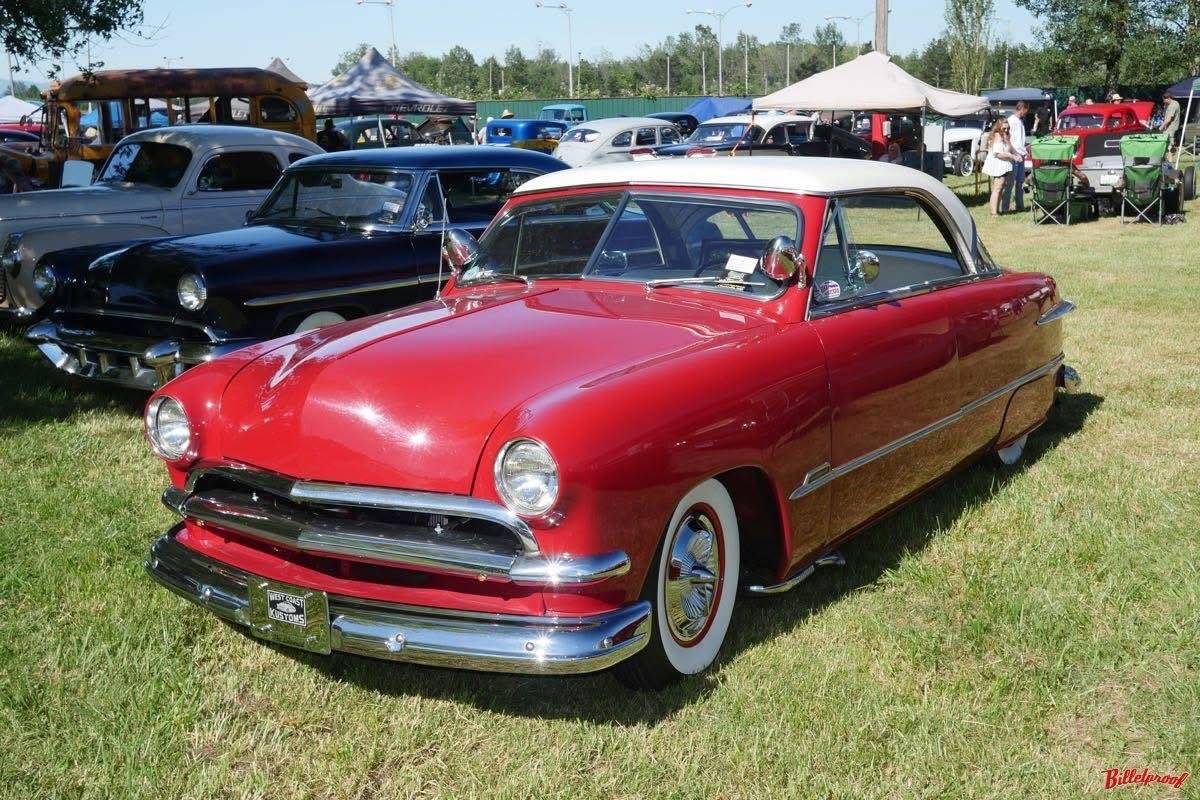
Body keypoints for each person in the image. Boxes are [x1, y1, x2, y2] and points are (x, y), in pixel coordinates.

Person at [982, 119, 1018, 217]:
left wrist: (1014, 153)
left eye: (1008, 128)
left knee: (1000, 188)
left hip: (1003, 166)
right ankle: (994, 213)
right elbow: (998, 154)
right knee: (997, 188)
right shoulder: (998, 136)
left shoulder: (1004, 136)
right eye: (1004, 128)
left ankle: (996, 211)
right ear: (998, 127)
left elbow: (1008, 149)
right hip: (998, 166)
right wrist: (1012, 156)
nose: (1006, 130)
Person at [1002, 101, 1030, 214]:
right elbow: (1007, 139)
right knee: (1010, 183)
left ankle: (1020, 205)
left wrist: (1025, 148)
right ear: (1022, 108)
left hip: (1021, 155)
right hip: (1014, 156)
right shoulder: (1011, 121)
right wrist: (1014, 153)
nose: (1026, 113)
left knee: (1020, 182)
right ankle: (1005, 208)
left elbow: (1019, 140)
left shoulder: (1020, 121)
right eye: (1026, 110)